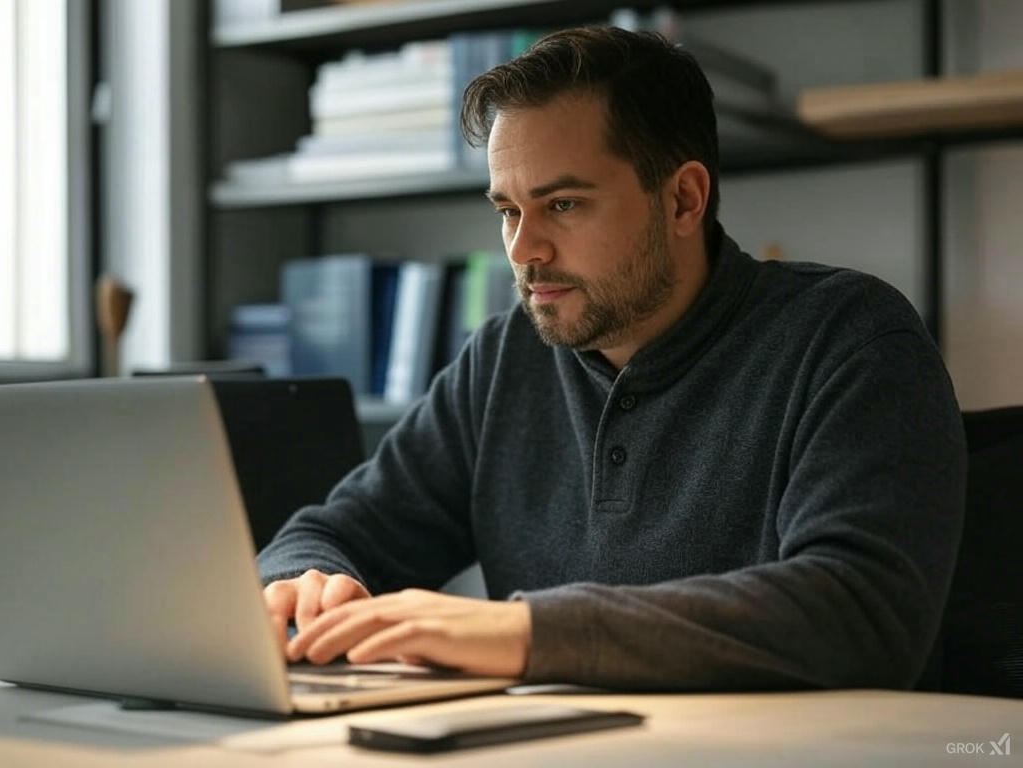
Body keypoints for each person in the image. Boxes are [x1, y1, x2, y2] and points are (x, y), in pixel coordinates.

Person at [258, 26, 966, 691]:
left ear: (684, 199)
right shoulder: (506, 357)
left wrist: (530, 632)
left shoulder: (850, 340)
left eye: (562, 205)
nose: (522, 249)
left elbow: (863, 612)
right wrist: (304, 582)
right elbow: (330, 532)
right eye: (507, 209)